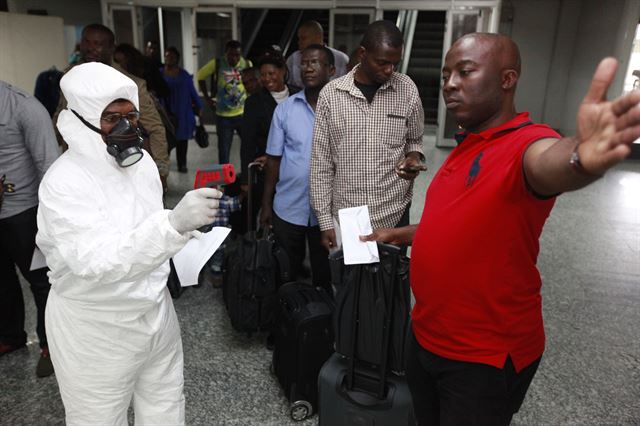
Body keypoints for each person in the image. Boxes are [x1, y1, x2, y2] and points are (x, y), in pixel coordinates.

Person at [360, 33, 640, 425]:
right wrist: (398, 235)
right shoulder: (468, 144)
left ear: (507, 79)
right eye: (445, 74)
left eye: (465, 71)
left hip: (482, 356)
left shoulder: (527, 143)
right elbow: (457, 226)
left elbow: (549, 163)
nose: (449, 84)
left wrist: (579, 157)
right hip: (426, 333)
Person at [37, 62, 222, 424]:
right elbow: (96, 260)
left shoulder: (142, 166)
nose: (125, 127)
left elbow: (143, 229)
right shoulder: (64, 182)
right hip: (97, 329)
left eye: (131, 115)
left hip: (155, 312)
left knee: (167, 405)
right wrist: (171, 227)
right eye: (111, 118)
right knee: (100, 417)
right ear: (83, 118)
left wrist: (185, 235)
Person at [310, 20, 425, 252]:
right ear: (363, 54)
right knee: (350, 285)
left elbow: (415, 139)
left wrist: (413, 157)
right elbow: (320, 163)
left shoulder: (407, 88)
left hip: (394, 213)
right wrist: (324, 221)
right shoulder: (331, 95)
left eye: (395, 63)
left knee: (390, 285)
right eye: (382, 62)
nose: (389, 70)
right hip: (347, 215)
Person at [53, 24, 171, 191]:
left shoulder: (131, 84)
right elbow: (61, 113)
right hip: (79, 170)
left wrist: (161, 169)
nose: (91, 48)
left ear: (111, 48)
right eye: (87, 42)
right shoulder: (70, 78)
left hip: (120, 169)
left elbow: (156, 128)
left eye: (98, 43)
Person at [260, 45, 335, 292]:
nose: (308, 68)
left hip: (327, 210)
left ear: (331, 70)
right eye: (304, 63)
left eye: (315, 62)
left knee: (324, 274)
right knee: (285, 273)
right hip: (289, 205)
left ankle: (321, 324)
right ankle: (285, 325)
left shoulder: (342, 112)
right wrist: (267, 204)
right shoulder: (285, 109)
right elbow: (274, 159)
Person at [0, 80, 59, 378]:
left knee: (41, 281)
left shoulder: (24, 108)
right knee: (1, 280)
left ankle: (51, 346)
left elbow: (50, 167)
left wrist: (48, 221)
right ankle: (10, 336)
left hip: (24, 213)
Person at [242, 50, 299, 230]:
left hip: (297, 172)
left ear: (283, 71)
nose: (266, 79)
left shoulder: (299, 96)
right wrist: (245, 179)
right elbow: (247, 143)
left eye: (271, 73)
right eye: (263, 75)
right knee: (270, 218)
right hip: (267, 173)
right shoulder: (254, 102)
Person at [196, 40, 252, 164]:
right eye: (231, 55)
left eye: (237, 55)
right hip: (223, 117)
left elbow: (253, 82)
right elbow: (200, 76)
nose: (234, 58)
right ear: (226, 54)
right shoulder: (217, 63)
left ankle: (247, 178)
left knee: (249, 149)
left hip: (243, 114)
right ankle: (225, 182)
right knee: (224, 152)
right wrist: (207, 98)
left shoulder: (247, 64)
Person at [161, 46, 203, 173]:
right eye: (167, 56)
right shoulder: (159, 74)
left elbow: (193, 93)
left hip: (182, 112)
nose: (169, 59)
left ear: (177, 59)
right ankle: (163, 166)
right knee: (164, 141)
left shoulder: (184, 75)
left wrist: (199, 108)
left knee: (182, 141)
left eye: (172, 57)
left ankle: (182, 164)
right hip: (165, 113)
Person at [286, 20, 349, 90]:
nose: (299, 42)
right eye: (303, 63)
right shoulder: (293, 59)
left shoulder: (341, 59)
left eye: (303, 38)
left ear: (318, 37)